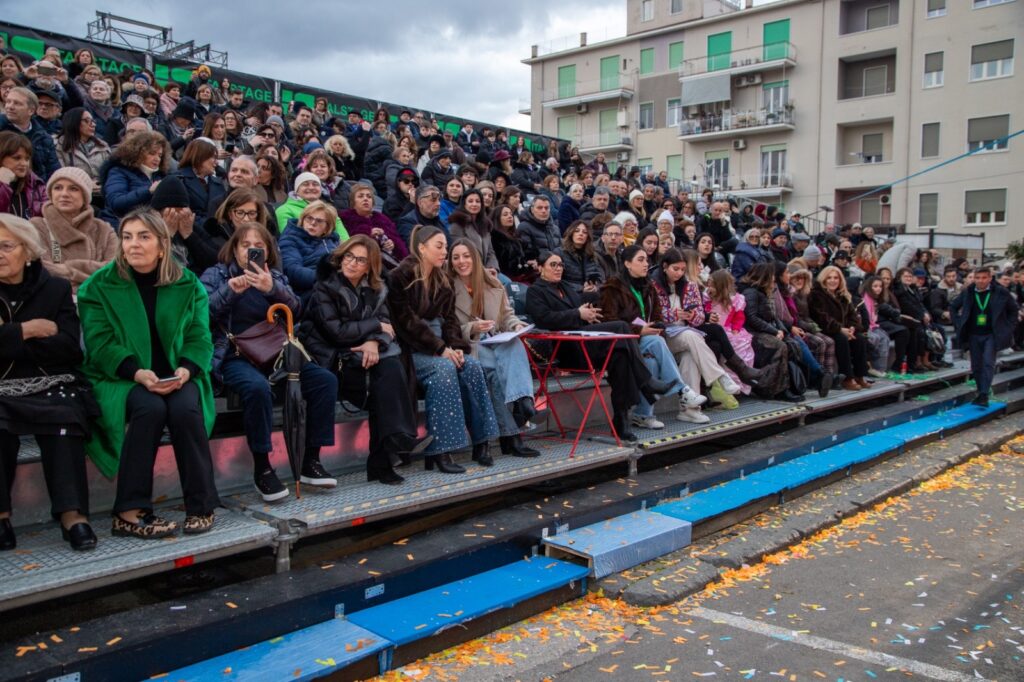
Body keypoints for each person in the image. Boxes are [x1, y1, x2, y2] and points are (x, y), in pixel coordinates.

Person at [78, 209, 220, 538]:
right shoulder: (98, 286)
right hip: (121, 377)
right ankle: (129, 512)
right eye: (127, 237)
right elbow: (100, 344)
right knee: (150, 407)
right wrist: (137, 373)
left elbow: (200, 336)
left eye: (144, 237)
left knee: (185, 409)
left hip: (178, 373)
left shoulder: (188, 283)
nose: (133, 244)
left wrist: (186, 370)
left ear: (162, 245)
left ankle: (201, 506)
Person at [202, 223, 338, 500]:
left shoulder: (274, 275)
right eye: (245, 245)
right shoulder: (216, 274)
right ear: (235, 249)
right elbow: (201, 312)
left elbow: (296, 311)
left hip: (275, 351)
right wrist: (230, 291)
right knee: (257, 388)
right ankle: (262, 468)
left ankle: (311, 460)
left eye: (259, 245)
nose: (252, 250)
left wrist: (272, 289)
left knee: (324, 381)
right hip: (234, 354)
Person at [300, 235, 430, 485]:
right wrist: (374, 327)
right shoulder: (325, 287)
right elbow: (336, 332)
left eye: (360, 260)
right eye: (349, 256)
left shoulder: (376, 289)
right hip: (330, 359)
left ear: (369, 267)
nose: (352, 263)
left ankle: (392, 448)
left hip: (360, 357)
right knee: (385, 382)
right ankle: (391, 450)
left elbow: (388, 328)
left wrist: (373, 342)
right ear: (340, 258)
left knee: (390, 369)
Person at [0, 215, 96, 551]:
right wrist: (27, 331)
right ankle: (1, 516)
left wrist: (7, 339)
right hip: (2, 386)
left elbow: (69, 347)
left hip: (50, 380)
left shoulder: (54, 288)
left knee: (63, 418)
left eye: (6, 246)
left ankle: (73, 516)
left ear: (27, 250)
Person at [525, 250, 673, 442]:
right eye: (553, 265)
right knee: (621, 326)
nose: (558, 268)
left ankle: (620, 421)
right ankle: (646, 382)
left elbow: (582, 310)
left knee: (620, 357)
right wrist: (577, 314)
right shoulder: (535, 291)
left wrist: (589, 313)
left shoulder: (566, 287)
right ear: (540, 267)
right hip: (566, 349)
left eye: (561, 265)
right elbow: (544, 319)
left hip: (585, 343)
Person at [387, 226, 500, 472]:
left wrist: (455, 347)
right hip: (411, 351)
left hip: (440, 348)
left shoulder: (443, 279)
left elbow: (450, 322)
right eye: (439, 246)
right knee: (443, 369)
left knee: (471, 365)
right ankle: (440, 450)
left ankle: (482, 442)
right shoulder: (399, 276)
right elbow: (406, 322)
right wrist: (440, 349)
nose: (444, 252)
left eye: (445, 247)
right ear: (421, 248)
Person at [600, 246, 712, 428]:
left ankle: (643, 415)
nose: (646, 264)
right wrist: (639, 330)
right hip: (623, 343)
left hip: (647, 342)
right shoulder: (612, 287)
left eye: (646, 260)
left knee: (652, 358)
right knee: (657, 341)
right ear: (627, 263)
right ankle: (683, 390)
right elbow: (609, 321)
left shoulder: (648, 286)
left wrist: (656, 327)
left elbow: (658, 317)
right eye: (640, 260)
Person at [448, 240, 539, 461]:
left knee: (513, 345)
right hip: (469, 345)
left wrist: (515, 325)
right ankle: (515, 428)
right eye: (456, 257)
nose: (461, 261)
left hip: (496, 341)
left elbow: (507, 316)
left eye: (466, 256)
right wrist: (472, 327)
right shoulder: (447, 288)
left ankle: (522, 401)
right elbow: (447, 328)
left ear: (475, 258)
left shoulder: (493, 283)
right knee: (496, 372)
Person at [653, 249, 758, 405]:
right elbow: (653, 316)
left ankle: (690, 409)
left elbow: (700, 317)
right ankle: (720, 376)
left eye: (682, 269)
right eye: (675, 269)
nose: (679, 273)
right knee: (693, 336)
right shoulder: (654, 286)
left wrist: (692, 315)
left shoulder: (689, 286)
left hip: (686, 331)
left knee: (690, 356)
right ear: (665, 266)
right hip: (664, 335)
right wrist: (674, 315)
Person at [28, 166, 117, 293]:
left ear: (85, 195)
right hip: (55, 299)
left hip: (97, 299)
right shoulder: (36, 226)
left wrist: (66, 269)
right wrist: (91, 274)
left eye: (73, 189)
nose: (64, 194)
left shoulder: (104, 229)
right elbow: (42, 270)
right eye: (58, 188)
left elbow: (114, 270)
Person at [951, 267, 1019, 407]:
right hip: (973, 334)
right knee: (976, 365)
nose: (980, 281)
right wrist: (959, 323)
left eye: (983, 278)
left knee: (988, 362)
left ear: (989, 278)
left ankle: (984, 394)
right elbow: (953, 307)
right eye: (977, 278)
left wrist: (1008, 327)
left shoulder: (1000, 292)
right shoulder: (968, 292)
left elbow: (1013, 310)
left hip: (991, 334)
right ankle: (980, 390)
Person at [740, 262, 802, 401]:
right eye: (772, 276)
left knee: (791, 344)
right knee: (780, 346)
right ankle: (779, 389)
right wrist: (774, 331)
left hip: (763, 330)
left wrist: (782, 330)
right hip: (752, 333)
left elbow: (773, 316)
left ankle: (785, 386)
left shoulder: (763, 292)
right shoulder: (751, 292)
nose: (774, 279)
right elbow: (752, 318)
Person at [810, 265, 869, 391]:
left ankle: (859, 375)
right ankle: (847, 377)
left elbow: (853, 316)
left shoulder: (843, 295)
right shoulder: (816, 294)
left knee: (859, 338)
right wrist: (840, 329)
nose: (833, 280)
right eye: (829, 278)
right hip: (825, 329)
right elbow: (821, 317)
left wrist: (852, 328)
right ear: (824, 279)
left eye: (836, 278)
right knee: (841, 339)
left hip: (844, 329)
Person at [100, 130, 169, 230]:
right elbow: (116, 203)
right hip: (120, 225)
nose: (157, 159)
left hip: (149, 224)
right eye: (152, 153)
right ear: (137, 152)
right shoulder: (118, 171)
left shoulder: (159, 175)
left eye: (160, 155)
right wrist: (148, 191)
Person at [280, 200, 343, 305]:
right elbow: (292, 270)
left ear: (327, 227)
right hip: (309, 292)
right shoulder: (290, 239)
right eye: (309, 218)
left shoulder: (333, 240)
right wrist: (327, 279)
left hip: (335, 286)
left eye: (319, 221)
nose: (313, 223)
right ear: (302, 219)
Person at [338, 182, 408, 264]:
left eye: (369, 196)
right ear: (353, 202)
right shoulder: (345, 218)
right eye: (360, 196)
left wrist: (392, 244)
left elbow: (398, 242)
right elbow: (347, 242)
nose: (365, 199)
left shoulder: (382, 219)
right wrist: (368, 233)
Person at [0, 87, 60, 181]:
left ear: (31, 111)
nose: (10, 106)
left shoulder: (44, 138)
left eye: (17, 103)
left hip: (37, 187)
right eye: (8, 101)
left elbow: (53, 171)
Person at [858, 275, 909, 375]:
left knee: (885, 338)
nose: (878, 289)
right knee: (874, 338)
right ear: (869, 287)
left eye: (880, 286)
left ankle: (880, 369)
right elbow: (865, 318)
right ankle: (869, 368)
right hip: (865, 327)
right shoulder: (865, 299)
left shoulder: (876, 299)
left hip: (873, 325)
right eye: (875, 286)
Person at [275, 172, 348, 237]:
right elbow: (290, 238)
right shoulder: (284, 210)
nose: (311, 187)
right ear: (296, 190)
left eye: (315, 184)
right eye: (305, 184)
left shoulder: (328, 210)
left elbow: (343, 237)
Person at [55, 107, 111, 188]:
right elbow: (60, 175)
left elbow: (110, 172)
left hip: (101, 190)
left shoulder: (103, 146)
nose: (93, 125)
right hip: (74, 190)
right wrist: (87, 184)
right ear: (73, 122)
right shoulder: (59, 146)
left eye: (93, 121)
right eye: (87, 121)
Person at [448, 190, 498, 273]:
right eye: (470, 201)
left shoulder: (485, 224)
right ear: (464, 204)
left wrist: (492, 268)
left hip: (487, 269)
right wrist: (483, 271)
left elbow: (490, 252)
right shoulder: (457, 225)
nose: (474, 204)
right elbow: (459, 254)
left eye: (477, 201)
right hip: (469, 270)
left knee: (505, 280)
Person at [0, 131, 47, 219]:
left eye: (27, 159)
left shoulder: (36, 184)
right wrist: (3, 184)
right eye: (17, 158)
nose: (24, 164)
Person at [490, 203, 535, 283]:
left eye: (511, 214)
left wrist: (529, 263)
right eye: (505, 215)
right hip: (506, 278)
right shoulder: (494, 238)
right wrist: (527, 267)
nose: (510, 216)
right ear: (497, 218)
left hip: (521, 275)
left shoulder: (515, 237)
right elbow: (507, 266)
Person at [558, 220, 604, 293]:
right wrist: (581, 288)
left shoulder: (592, 255)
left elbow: (600, 278)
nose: (581, 234)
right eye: (577, 231)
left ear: (588, 236)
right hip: (569, 294)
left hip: (590, 293)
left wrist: (595, 287)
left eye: (585, 232)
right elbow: (559, 281)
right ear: (571, 233)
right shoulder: (560, 253)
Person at [516, 195, 561, 261]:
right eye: (539, 208)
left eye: (546, 208)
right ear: (532, 209)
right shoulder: (524, 228)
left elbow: (561, 250)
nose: (543, 211)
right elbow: (527, 254)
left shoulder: (555, 228)